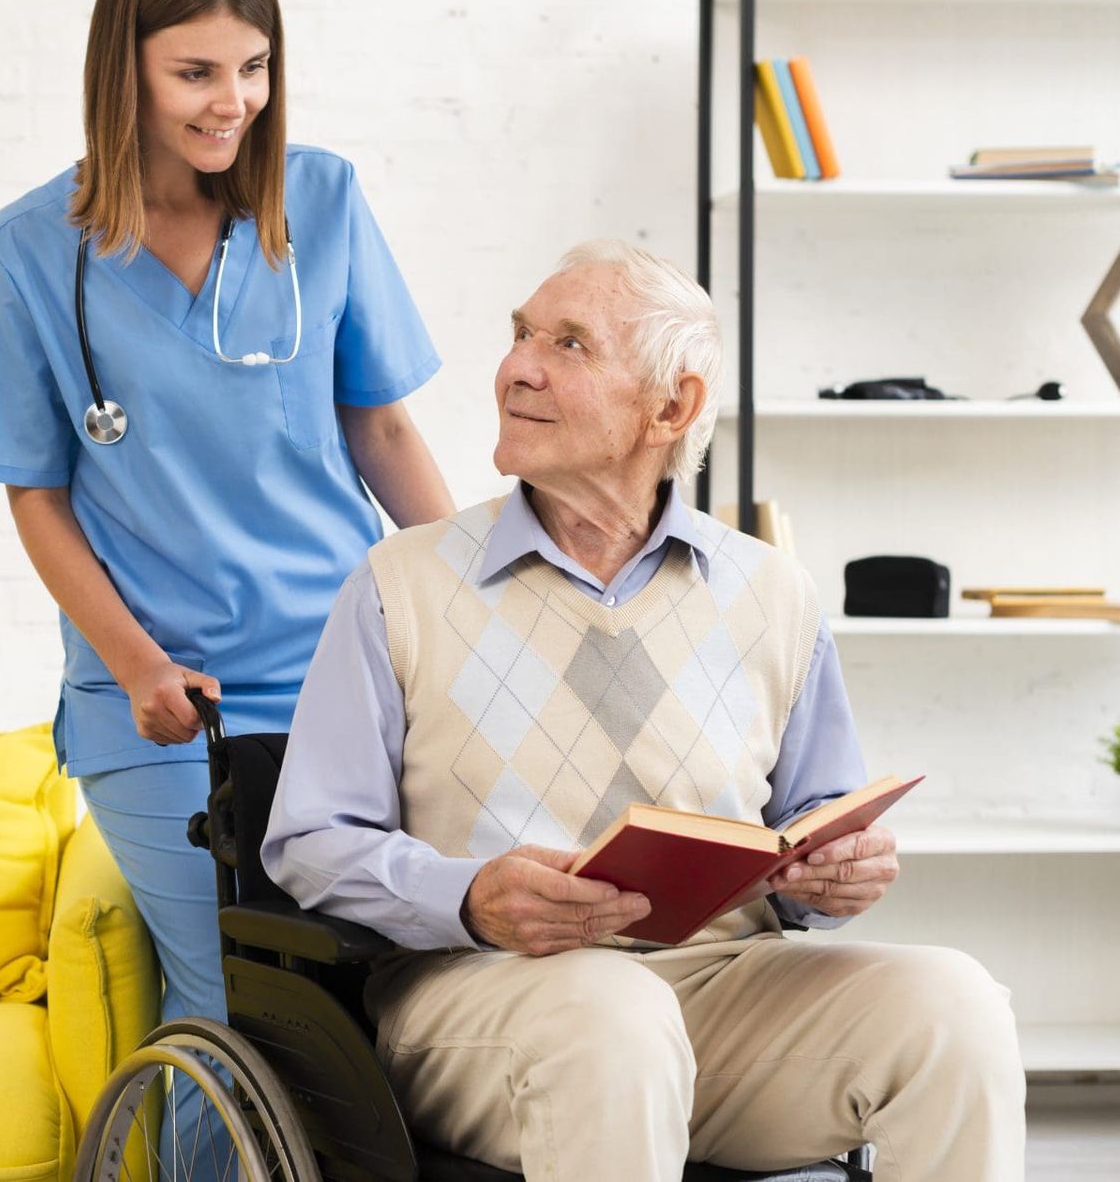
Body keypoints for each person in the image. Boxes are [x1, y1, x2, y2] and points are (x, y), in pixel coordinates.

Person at [262, 240, 1025, 1181]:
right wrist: (467, 897)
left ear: (673, 407)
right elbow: (310, 841)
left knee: (957, 1003)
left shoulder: (771, 590)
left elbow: (811, 827)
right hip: (484, 1001)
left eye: (570, 345)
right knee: (612, 1019)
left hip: (721, 991)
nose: (517, 367)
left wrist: (833, 873)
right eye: (521, 335)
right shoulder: (398, 586)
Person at [0, 0, 454, 1157]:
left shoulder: (317, 203)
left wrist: (487, 606)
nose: (235, 102)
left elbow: (380, 430)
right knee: (242, 1011)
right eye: (197, 71)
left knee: (357, 1005)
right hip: (168, 704)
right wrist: (134, 664)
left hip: (347, 683)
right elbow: (38, 498)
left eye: (255, 67)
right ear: (126, 70)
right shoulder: (23, 258)